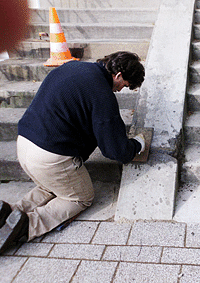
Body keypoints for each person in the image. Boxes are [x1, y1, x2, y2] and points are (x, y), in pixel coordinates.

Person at [0, 51, 146, 253]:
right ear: (119, 75)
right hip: (49, 156)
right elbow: (115, 150)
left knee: (51, 186)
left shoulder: (71, 67)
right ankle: (26, 226)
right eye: (125, 85)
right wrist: (137, 145)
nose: (121, 90)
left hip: (24, 144)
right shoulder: (102, 94)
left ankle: (11, 213)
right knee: (80, 197)